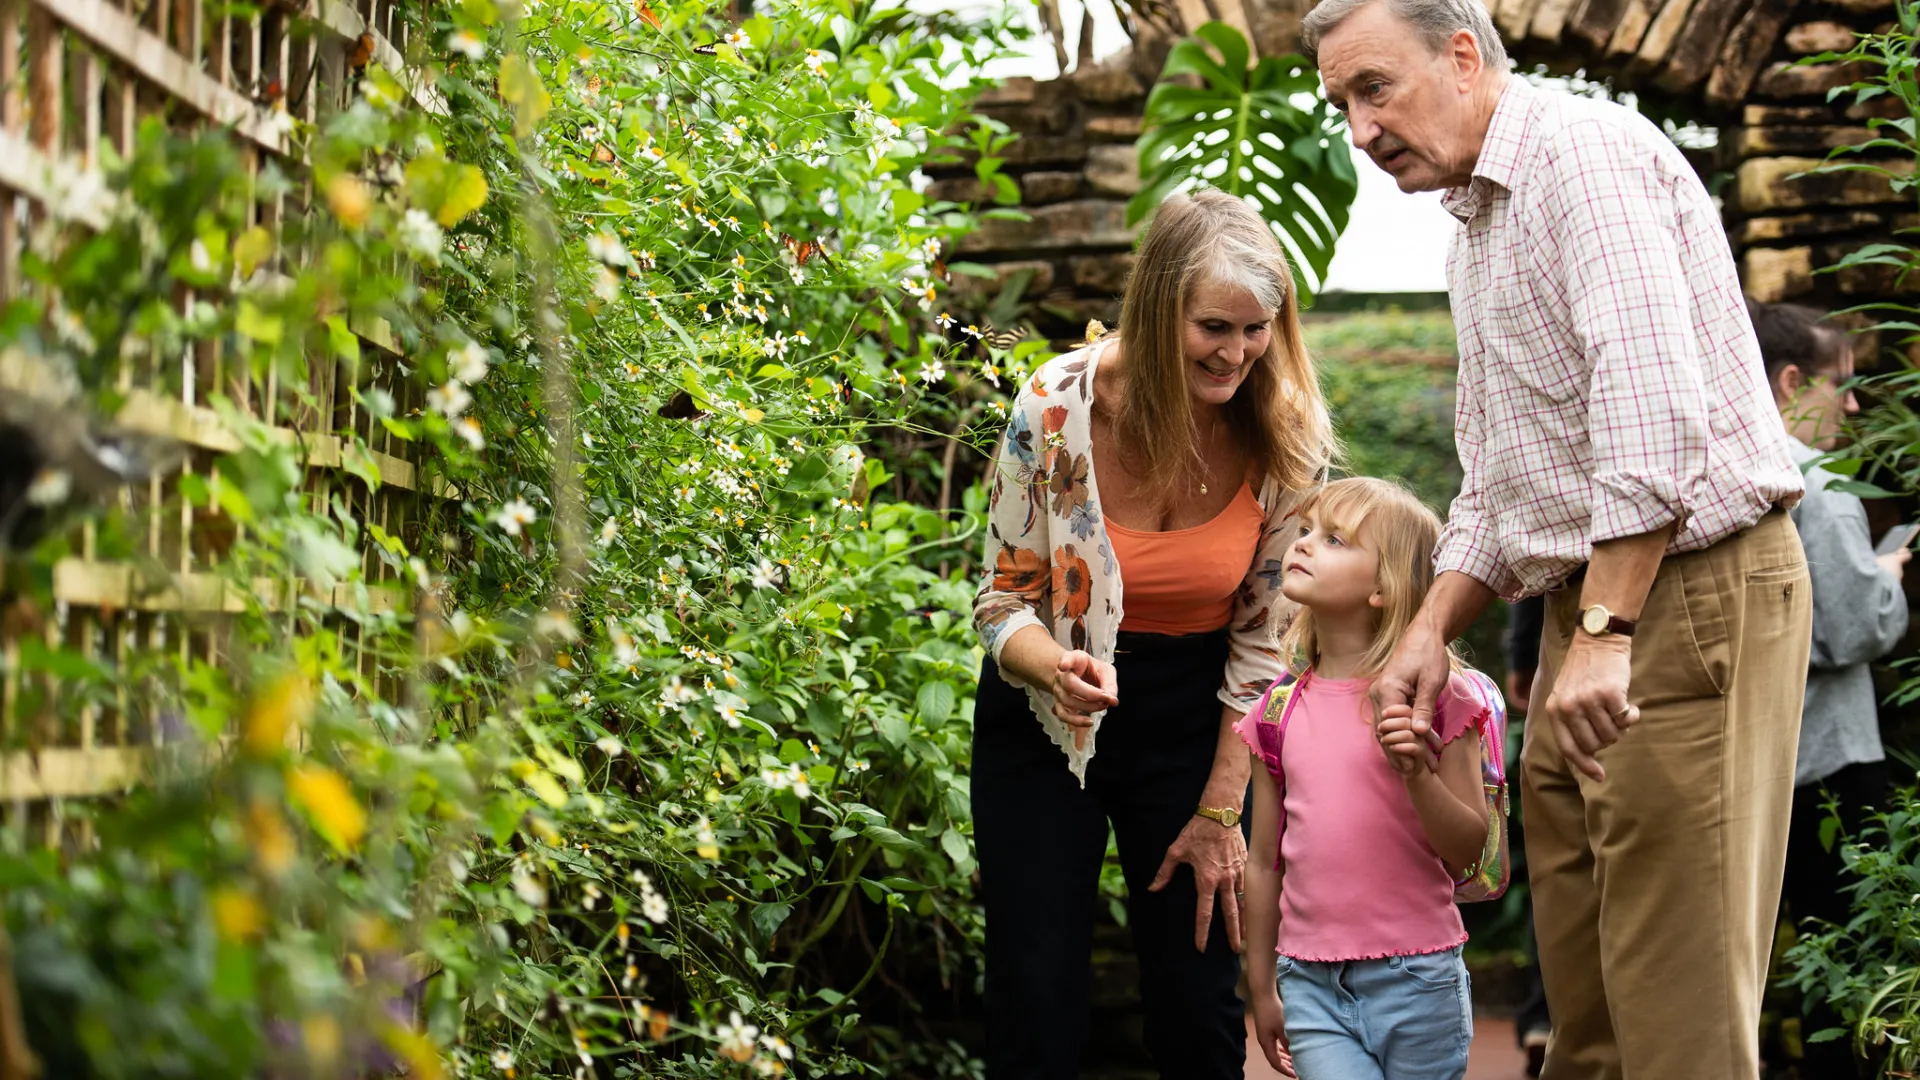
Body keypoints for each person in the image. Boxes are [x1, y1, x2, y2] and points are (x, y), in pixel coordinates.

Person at [1302, 2, 1813, 1078]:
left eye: (1373, 88)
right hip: (1600, 599)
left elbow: (1651, 414)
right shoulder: (1481, 225)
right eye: (1341, 102)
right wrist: (1428, 632)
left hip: (1686, 591)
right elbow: (1498, 488)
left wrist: (1606, 629)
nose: (1357, 127)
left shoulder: (1582, 161)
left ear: (1460, 54)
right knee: (1588, 1024)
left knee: (1677, 1022)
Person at [969, 188, 1334, 1079]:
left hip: (1199, 717)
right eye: (1215, 326)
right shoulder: (1056, 407)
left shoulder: (1282, 430)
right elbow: (999, 601)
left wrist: (1220, 811)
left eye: (1259, 330)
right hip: (1047, 716)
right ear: (1158, 303)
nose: (1239, 352)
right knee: (1037, 998)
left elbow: (1265, 643)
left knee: (1197, 1004)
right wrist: (1054, 666)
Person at [1241, 477, 1492, 1080]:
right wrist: (1260, 984)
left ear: (1384, 587)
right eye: (1305, 532)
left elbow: (1468, 851)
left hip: (1419, 977)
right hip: (1309, 983)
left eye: (1333, 539)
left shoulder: (1440, 697)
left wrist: (1417, 775)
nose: (1302, 545)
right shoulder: (1275, 711)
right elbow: (1262, 861)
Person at [1751, 300, 1910, 1078]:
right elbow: (1857, 630)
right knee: (1847, 968)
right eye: (1839, 384)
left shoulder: (1727, 466)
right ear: (1789, 382)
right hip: (1831, 760)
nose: (1852, 405)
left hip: (1750, 763)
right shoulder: (1816, 479)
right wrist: (1887, 575)